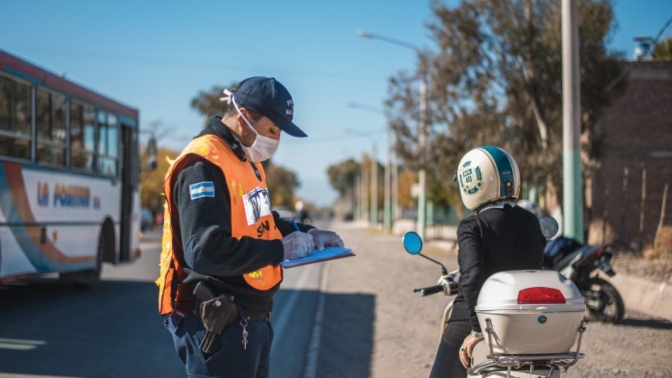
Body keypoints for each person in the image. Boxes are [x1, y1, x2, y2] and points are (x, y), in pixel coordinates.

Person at [156, 76, 344, 378]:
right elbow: (204, 250)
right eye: (273, 130)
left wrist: (307, 232)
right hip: (217, 325)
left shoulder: (245, 161)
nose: (276, 141)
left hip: (249, 322)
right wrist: (279, 249)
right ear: (244, 116)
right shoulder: (203, 163)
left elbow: (261, 221)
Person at [429, 146, 546, 377]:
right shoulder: (532, 222)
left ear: (471, 183)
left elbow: (472, 279)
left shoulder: (473, 226)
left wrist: (476, 330)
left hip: (477, 318)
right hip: (521, 318)